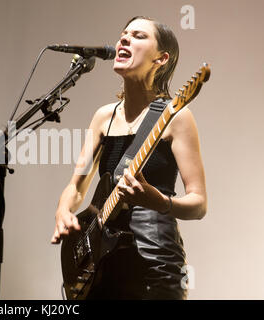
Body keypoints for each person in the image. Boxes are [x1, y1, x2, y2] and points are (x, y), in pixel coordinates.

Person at [51, 16, 207, 299]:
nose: (124, 39)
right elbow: (76, 187)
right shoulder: (103, 117)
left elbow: (199, 204)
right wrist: (63, 211)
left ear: (161, 59)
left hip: (155, 264)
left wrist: (160, 202)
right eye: (123, 34)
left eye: (138, 36)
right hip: (103, 267)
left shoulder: (176, 117)